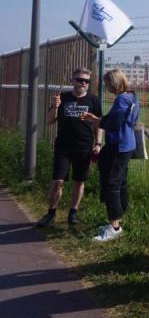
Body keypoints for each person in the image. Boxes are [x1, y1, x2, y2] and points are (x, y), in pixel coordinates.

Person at [36, 68, 103, 228]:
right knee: (58, 180)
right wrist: (55, 106)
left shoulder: (94, 101)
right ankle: (51, 213)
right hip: (63, 147)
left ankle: (73, 212)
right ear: (72, 80)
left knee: (79, 181)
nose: (83, 83)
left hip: (84, 147)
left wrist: (98, 143)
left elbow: (98, 123)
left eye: (86, 81)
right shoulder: (63, 98)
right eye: (80, 79)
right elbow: (49, 121)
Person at [82, 69, 139, 242]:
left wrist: (97, 121)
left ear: (114, 83)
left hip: (118, 145)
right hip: (127, 144)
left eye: (107, 83)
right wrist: (98, 118)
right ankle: (119, 220)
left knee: (111, 184)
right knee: (121, 183)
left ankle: (114, 226)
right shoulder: (132, 96)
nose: (105, 86)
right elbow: (120, 118)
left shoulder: (121, 98)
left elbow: (114, 123)